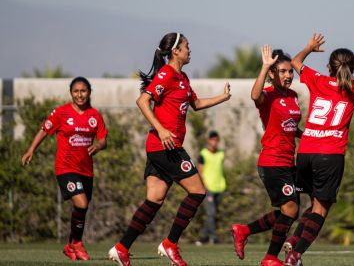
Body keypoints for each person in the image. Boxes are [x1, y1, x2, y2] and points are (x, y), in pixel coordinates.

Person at [108, 32, 231, 266]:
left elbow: (195, 104)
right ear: (175, 51)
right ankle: (170, 244)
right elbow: (142, 101)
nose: (190, 50)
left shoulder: (182, 77)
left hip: (161, 147)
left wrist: (222, 98)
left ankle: (121, 248)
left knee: (154, 200)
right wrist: (162, 129)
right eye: (186, 46)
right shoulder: (166, 74)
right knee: (197, 192)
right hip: (166, 146)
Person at [284, 34, 354, 265]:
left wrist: (309, 47)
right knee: (321, 211)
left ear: (329, 67)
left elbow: (294, 62)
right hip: (329, 155)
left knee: (313, 206)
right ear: (352, 68)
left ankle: (293, 241)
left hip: (305, 152)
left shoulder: (318, 80)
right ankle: (295, 254)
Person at [21, 77, 108, 261]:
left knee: (82, 208)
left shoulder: (95, 115)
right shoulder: (61, 113)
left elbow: (103, 140)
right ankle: (77, 243)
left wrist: (98, 146)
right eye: (76, 91)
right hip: (65, 168)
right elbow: (44, 130)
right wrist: (31, 150)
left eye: (83, 91)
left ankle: (70, 245)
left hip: (86, 170)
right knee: (81, 203)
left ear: (89, 92)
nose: (79, 95)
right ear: (71, 93)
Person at [231, 45, 303, 266]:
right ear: (272, 74)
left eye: (290, 71)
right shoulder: (268, 96)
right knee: (290, 208)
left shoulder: (293, 96)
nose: (288, 75)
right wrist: (264, 67)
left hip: (288, 161)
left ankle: (244, 231)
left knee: (289, 209)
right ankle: (270, 258)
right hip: (272, 161)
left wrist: (308, 136)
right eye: (282, 71)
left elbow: (291, 127)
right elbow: (254, 95)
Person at [196, 130, 226, 245]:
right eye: (213, 140)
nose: (215, 142)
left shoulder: (221, 154)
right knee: (211, 213)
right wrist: (204, 187)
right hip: (208, 188)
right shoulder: (203, 154)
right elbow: (200, 171)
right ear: (209, 140)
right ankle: (213, 238)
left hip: (220, 187)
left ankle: (203, 237)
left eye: (216, 140)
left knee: (212, 215)